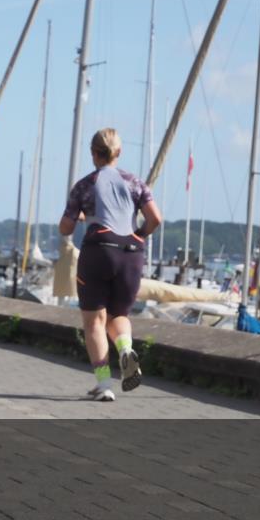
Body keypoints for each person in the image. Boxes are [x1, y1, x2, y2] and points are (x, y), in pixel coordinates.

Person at [59, 128, 161, 402]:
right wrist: (139, 236)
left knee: (94, 320)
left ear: (93, 153)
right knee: (118, 315)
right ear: (119, 152)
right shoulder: (136, 183)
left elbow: (65, 228)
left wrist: (81, 216)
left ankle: (104, 384)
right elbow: (155, 219)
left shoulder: (84, 185)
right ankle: (126, 350)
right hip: (131, 253)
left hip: (99, 250)